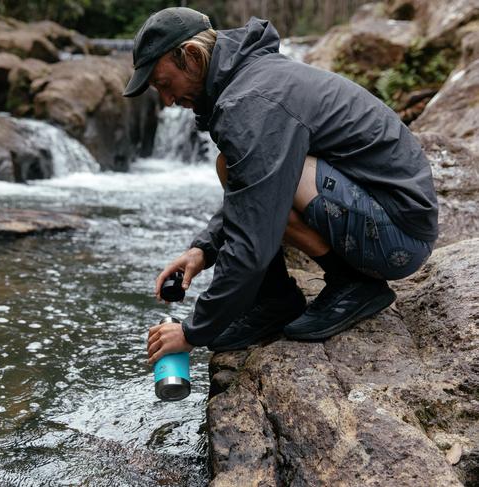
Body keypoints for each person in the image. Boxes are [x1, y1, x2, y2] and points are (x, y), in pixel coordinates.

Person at [122, 8, 438, 363]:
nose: (166, 100)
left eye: (164, 84)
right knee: (230, 165)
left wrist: (194, 330)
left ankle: (354, 285)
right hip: (383, 214)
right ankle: (274, 300)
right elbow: (250, 188)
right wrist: (204, 249)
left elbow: (252, 236)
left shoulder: (252, 101)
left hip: (400, 235)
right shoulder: (250, 79)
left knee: (269, 188)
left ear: (193, 57)